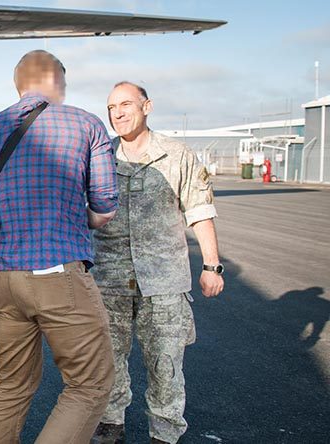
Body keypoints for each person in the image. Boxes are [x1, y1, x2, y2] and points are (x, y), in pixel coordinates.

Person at [0, 50, 119, 444]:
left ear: (18, 84)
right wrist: (79, 214)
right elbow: (105, 204)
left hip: (3, 280)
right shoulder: (86, 124)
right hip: (59, 275)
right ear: (58, 82)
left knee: (11, 384)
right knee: (90, 384)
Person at [90, 81, 224, 444]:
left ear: (146, 106)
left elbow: (199, 209)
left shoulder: (176, 154)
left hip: (163, 282)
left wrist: (211, 265)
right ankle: (109, 425)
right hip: (109, 280)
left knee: (166, 368)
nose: (117, 113)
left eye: (125, 104)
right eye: (111, 107)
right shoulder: (101, 155)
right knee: (108, 364)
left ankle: (164, 434)